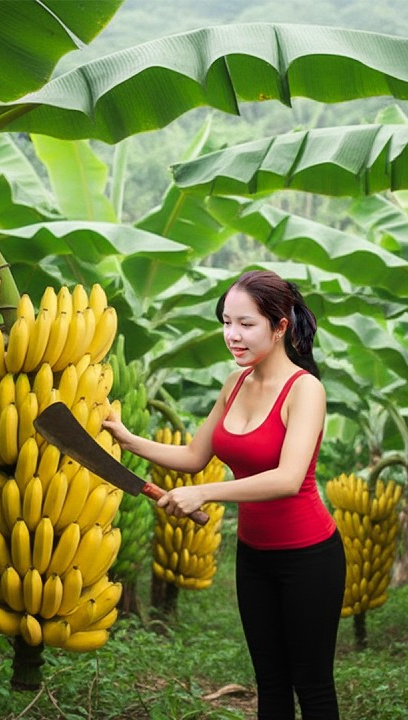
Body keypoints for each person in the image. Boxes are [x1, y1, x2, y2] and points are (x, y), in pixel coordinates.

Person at [103, 269, 344, 720]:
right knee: (270, 683)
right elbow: (195, 454)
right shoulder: (234, 384)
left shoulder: (304, 389)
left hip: (309, 558)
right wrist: (126, 438)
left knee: (311, 686)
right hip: (255, 558)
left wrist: (205, 494)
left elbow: (288, 478)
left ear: (280, 326)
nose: (232, 335)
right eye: (226, 322)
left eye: (246, 324)